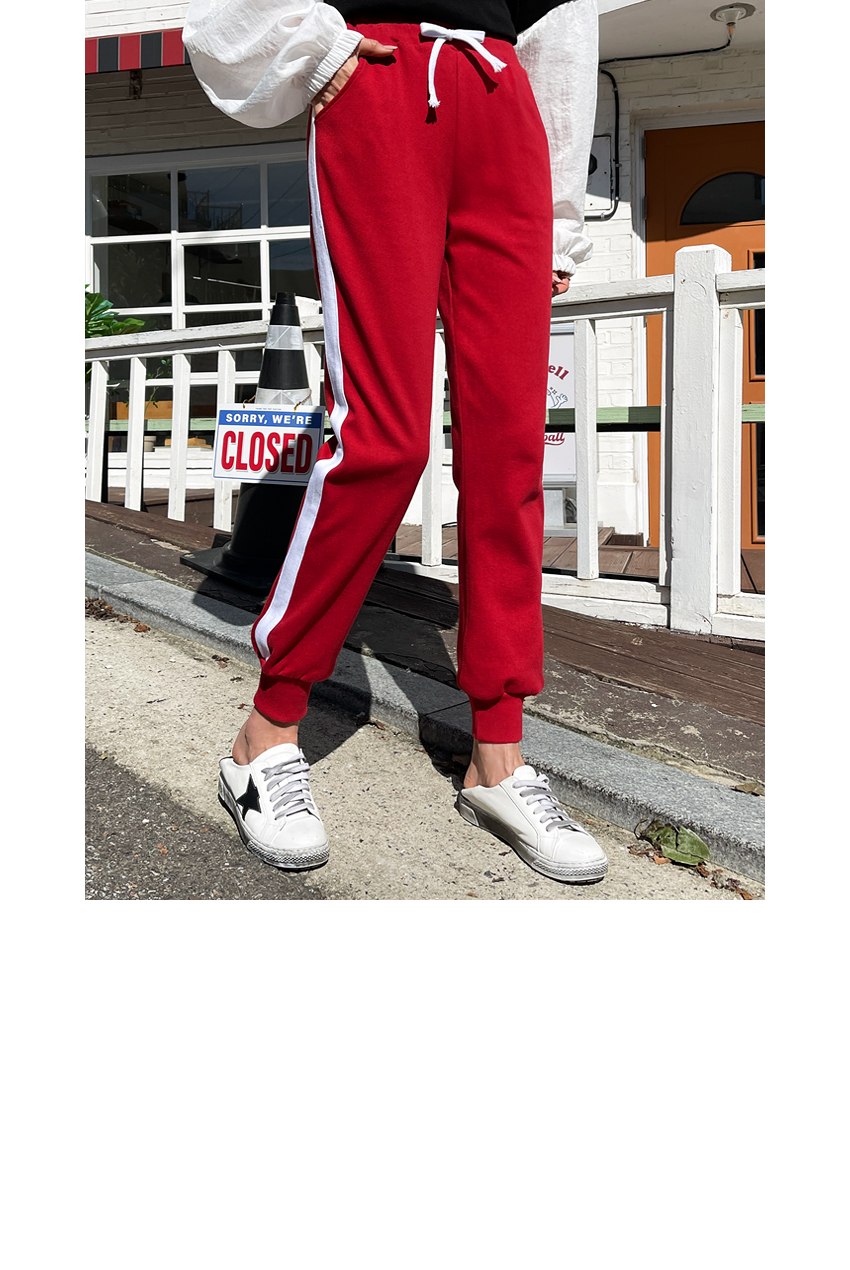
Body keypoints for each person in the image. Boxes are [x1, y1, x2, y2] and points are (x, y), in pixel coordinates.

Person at [184, 0, 609, 884]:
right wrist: (323, 53)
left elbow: (563, 18)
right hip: (379, 82)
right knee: (383, 440)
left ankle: (498, 758)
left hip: (505, 99)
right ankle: (265, 736)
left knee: (510, 451)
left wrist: (561, 210)